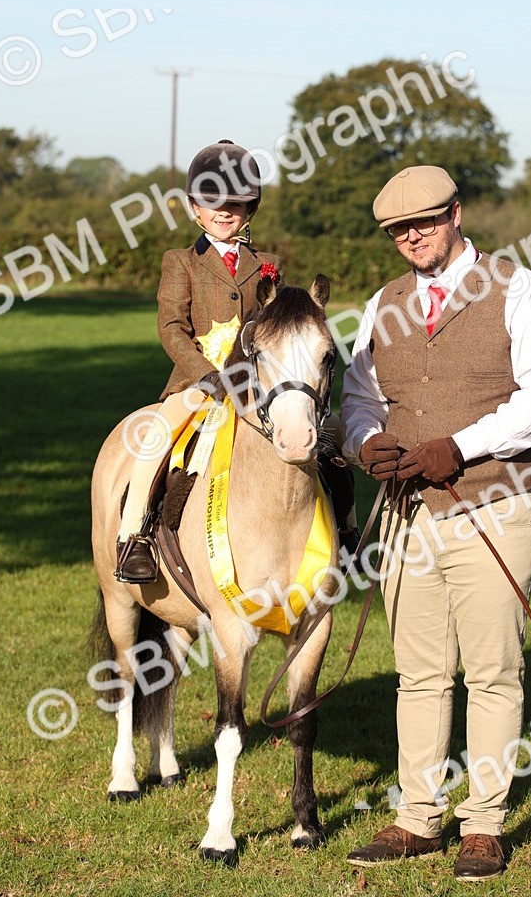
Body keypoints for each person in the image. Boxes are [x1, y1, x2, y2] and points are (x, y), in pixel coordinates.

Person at [340, 165, 531, 881]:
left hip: (493, 506)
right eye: (399, 230)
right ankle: (417, 819)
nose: (414, 237)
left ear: (456, 216)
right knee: (418, 674)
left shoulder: (518, 289)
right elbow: (357, 395)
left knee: (494, 672)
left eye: (426, 222)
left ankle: (484, 825)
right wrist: (362, 441)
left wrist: (460, 446)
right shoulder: (383, 304)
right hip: (408, 517)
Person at [115, 138, 358, 584]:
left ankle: (347, 530)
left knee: (332, 438)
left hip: (257, 385)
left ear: (251, 210)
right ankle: (136, 538)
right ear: (194, 208)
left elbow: (278, 325)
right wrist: (207, 376)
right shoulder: (181, 262)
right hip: (196, 383)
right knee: (157, 437)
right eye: (213, 203)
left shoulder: (268, 264)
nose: (225, 212)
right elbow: (171, 329)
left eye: (237, 204)